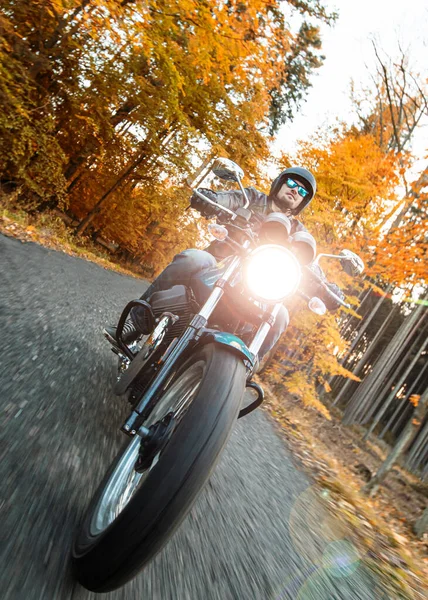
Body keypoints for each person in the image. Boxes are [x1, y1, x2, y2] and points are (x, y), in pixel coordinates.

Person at [105, 167, 343, 358]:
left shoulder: (298, 233)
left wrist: (326, 288)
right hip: (217, 266)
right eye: (292, 184)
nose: (295, 191)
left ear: (304, 202)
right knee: (193, 257)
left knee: (280, 315)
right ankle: (134, 324)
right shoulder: (251, 198)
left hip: (257, 290)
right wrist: (210, 199)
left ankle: (240, 370)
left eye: (302, 192)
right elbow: (227, 199)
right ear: (280, 183)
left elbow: (309, 264)